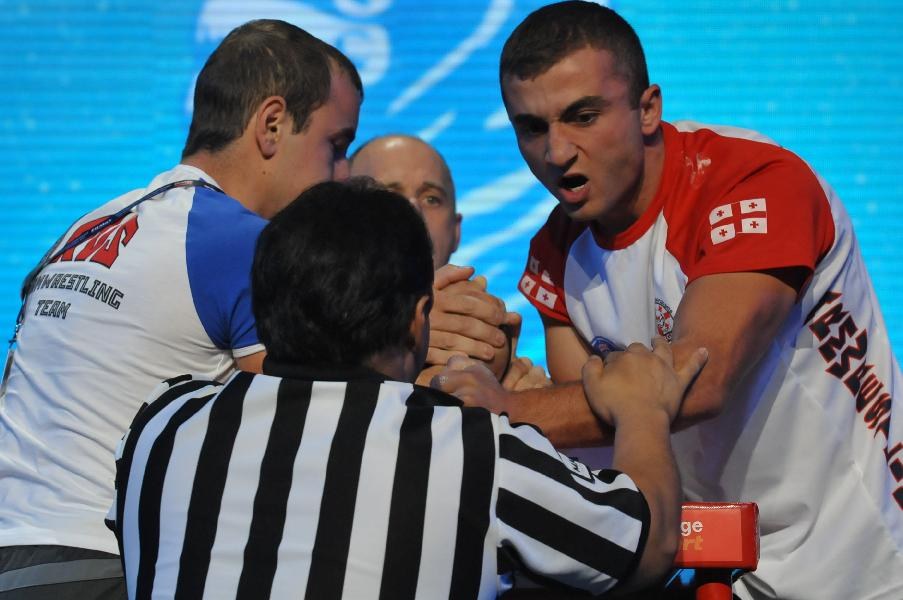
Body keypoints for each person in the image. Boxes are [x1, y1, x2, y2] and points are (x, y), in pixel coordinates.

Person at [433, 2, 903, 599]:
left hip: (867, 566)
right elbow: (602, 440)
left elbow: (697, 381)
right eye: (532, 127)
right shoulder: (553, 251)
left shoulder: (753, 181)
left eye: (583, 116)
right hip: (721, 572)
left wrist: (499, 412)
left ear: (648, 108)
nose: (556, 153)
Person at [107, 179, 708, 599]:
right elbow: (645, 545)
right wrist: (643, 411)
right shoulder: (467, 444)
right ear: (419, 319)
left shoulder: (163, 424)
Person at [0, 20, 362, 598]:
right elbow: (309, 436)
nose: (345, 175)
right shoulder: (245, 242)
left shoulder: (81, 230)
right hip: (103, 567)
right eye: (337, 147)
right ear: (272, 125)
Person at [350, 133, 549, 389]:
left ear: (456, 231)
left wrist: (518, 403)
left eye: (431, 198)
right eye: (389, 195)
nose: (413, 211)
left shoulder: (493, 350)